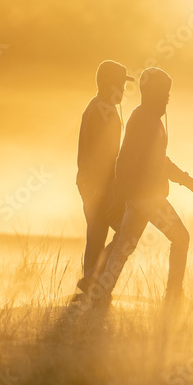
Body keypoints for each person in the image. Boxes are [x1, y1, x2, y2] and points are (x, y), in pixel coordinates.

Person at [91, 67, 193, 307]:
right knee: (181, 238)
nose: (167, 97)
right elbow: (128, 161)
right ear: (151, 92)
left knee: (124, 245)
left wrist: (125, 195)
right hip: (148, 198)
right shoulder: (146, 121)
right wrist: (187, 180)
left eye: (168, 93)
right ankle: (174, 297)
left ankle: (101, 293)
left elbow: (155, 161)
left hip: (138, 198)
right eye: (164, 92)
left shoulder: (145, 117)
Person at [76, 60, 134, 293]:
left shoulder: (95, 106)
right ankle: (94, 279)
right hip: (101, 185)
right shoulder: (106, 112)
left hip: (88, 183)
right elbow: (106, 156)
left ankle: (88, 286)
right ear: (110, 84)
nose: (123, 90)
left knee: (97, 234)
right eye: (120, 84)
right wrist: (114, 189)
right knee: (126, 231)